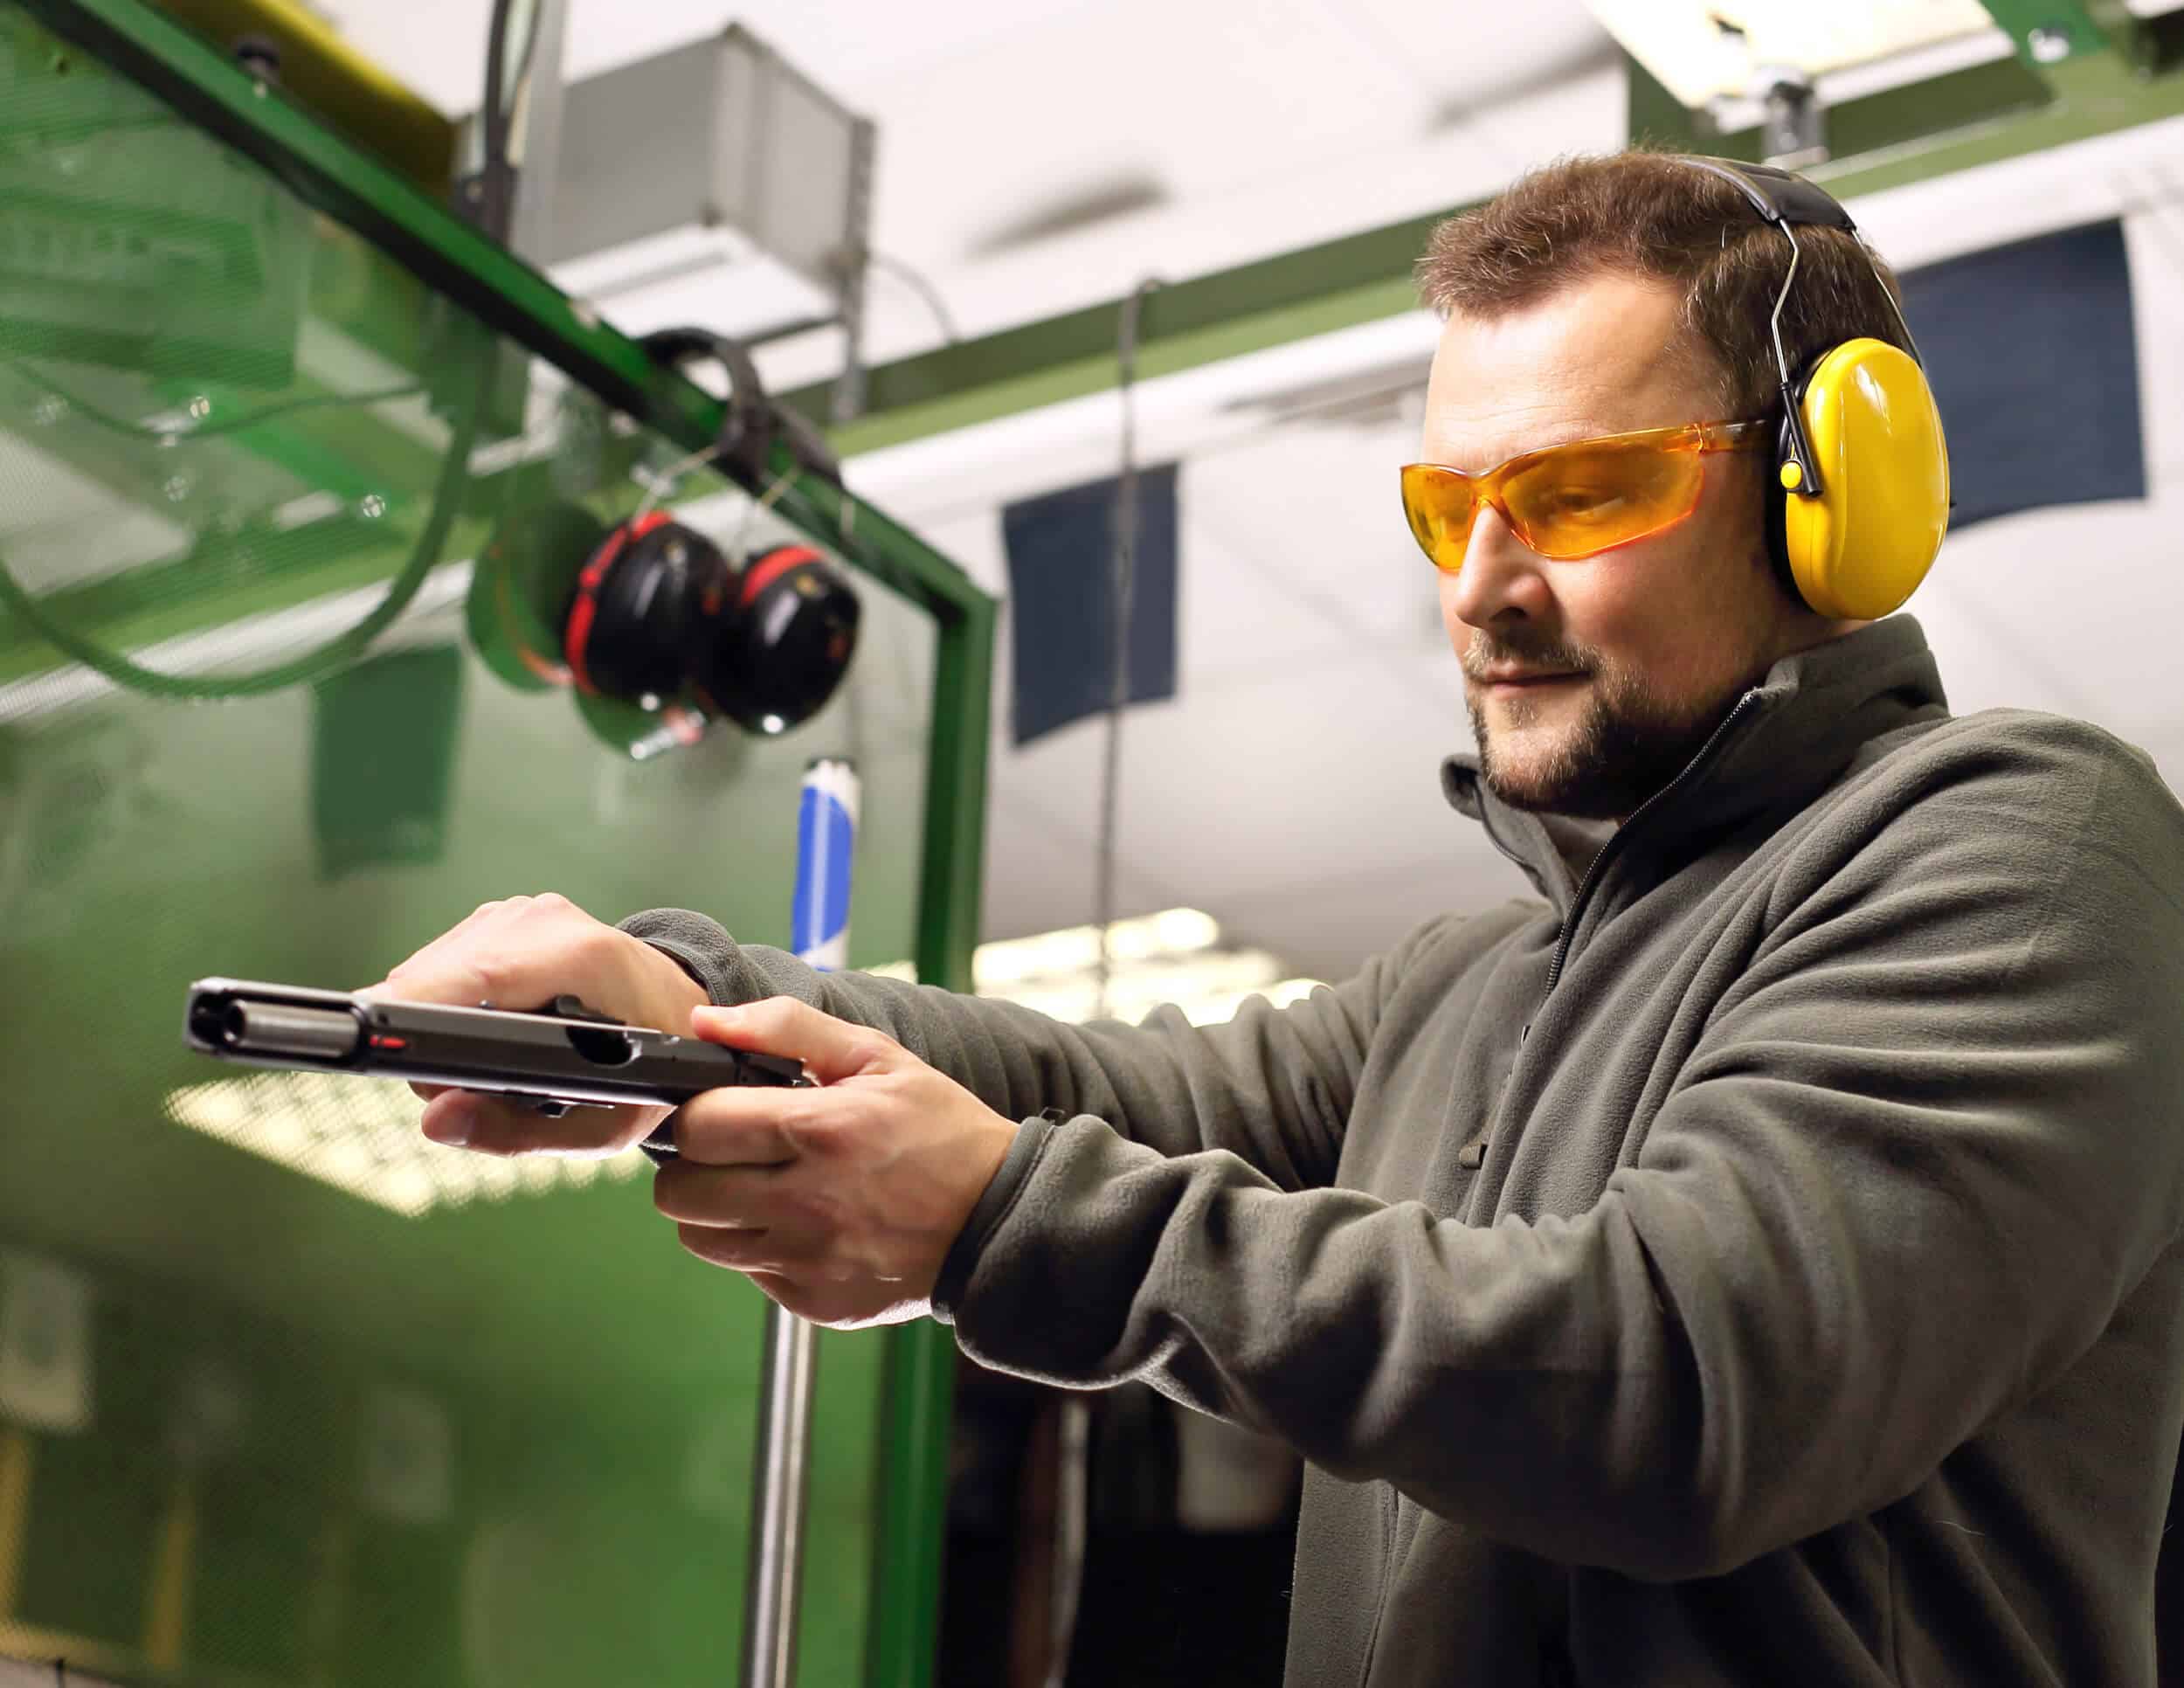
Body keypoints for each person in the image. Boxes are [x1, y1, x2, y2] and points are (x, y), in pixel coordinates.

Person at [369, 150, 2184, 1686]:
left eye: (1577, 493)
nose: (1483, 590)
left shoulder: (2020, 843)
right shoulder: (1471, 986)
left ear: (1831, 498)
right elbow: (1103, 1098)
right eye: (1449, 505)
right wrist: (679, 1006)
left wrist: (992, 1217)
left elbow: (1684, 1383)